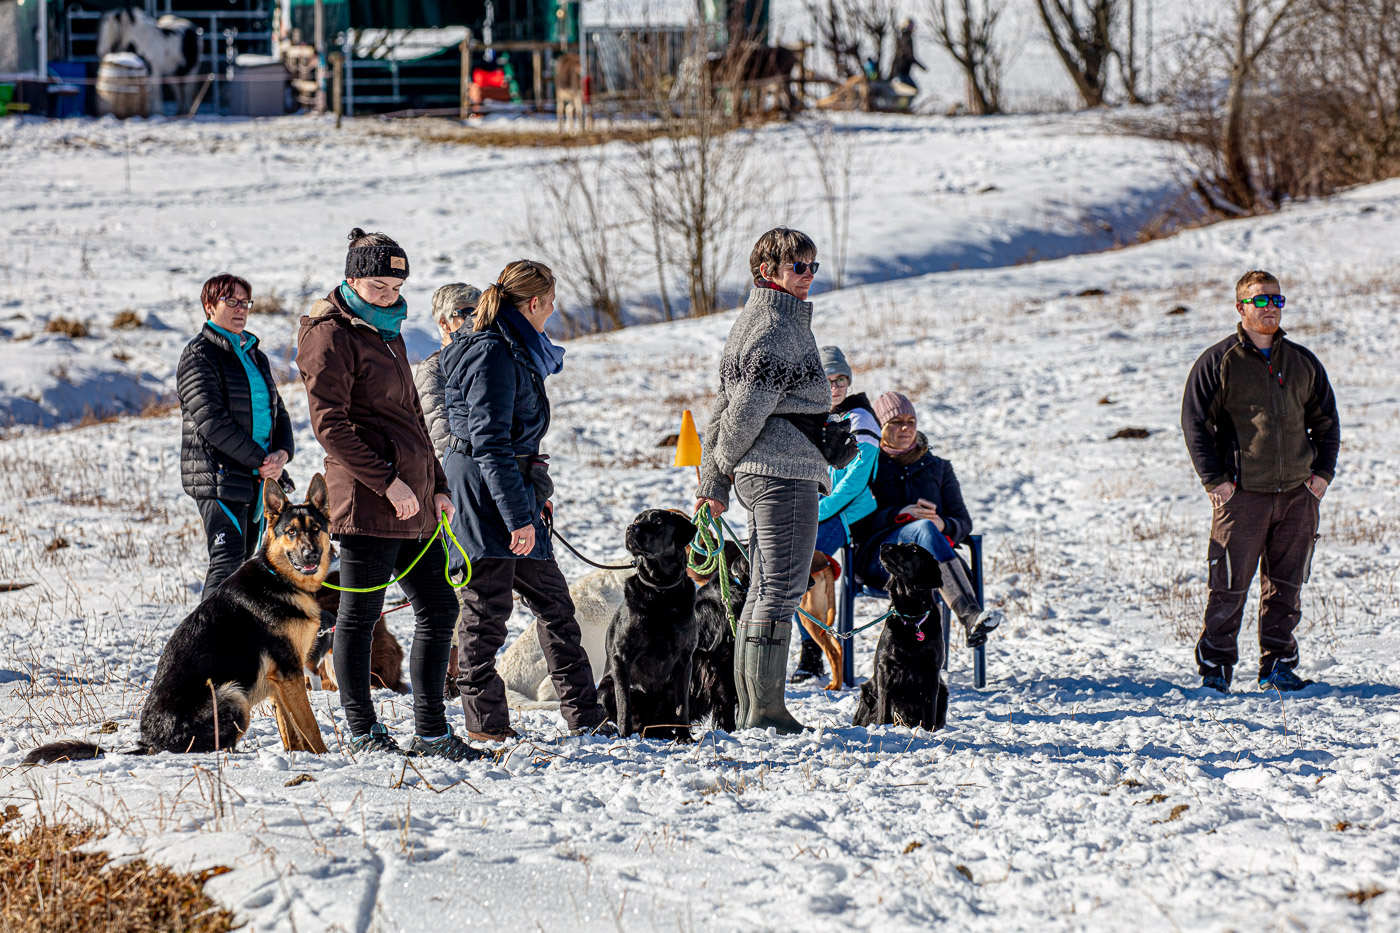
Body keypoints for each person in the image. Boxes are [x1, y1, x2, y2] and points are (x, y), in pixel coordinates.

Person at [297, 228, 483, 761]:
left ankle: (431, 732)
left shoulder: (388, 329)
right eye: (378, 284)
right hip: (366, 499)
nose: (389, 294)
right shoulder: (330, 335)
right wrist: (387, 481)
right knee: (360, 614)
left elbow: (413, 417)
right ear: (352, 278)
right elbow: (330, 425)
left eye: (396, 284)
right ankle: (362, 729)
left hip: (415, 500)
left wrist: (438, 486)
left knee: (440, 606)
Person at [442, 259, 608, 741]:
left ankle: (588, 718)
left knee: (556, 607)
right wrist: (518, 517)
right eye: (551, 305)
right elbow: (489, 440)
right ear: (533, 303)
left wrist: (532, 501)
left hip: (512, 488)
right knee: (485, 613)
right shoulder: (491, 352)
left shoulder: (512, 346)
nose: (552, 314)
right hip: (483, 494)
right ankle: (488, 727)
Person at [696, 227, 831, 733]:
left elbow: (723, 410)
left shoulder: (762, 321)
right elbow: (743, 414)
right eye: (797, 266)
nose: (807, 276)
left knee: (763, 587)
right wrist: (715, 478)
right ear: (766, 272)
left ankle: (754, 708)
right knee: (779, 588)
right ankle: (766, 711)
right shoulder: (776, 326)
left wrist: (715, 476)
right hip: (782, 472)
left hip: (771, 469)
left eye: (812, 267)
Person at [1181, 269, 1339, 693]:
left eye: (1276, 299)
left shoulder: (1302, 361)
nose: (1270, 307)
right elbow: (1196, 423)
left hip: (1297, 495)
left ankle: (1277, 666)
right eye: (1261, 300)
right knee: (1229, 584)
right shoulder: (1219, 361)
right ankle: (1215, 669)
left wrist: (1321, 475)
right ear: (1241, 307)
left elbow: (1326, 422)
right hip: (1242, 496)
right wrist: (1215, 481)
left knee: (1286, 585)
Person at [851, 391, 1002, 646]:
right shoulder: (868, 463)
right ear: (880, 427)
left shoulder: (939, 467)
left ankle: (970, 619)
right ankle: (969, 614)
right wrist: (898, 515)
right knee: (921, 528)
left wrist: (941, 524)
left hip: (932, 562)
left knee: (925, 529)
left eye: (911, 421)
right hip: (883, 561)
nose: (905, 428)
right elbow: (856, 523)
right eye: (896, 422)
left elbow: (963, 522)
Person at [178, 273, 295, 594]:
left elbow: (278, 411)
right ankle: (205, 642)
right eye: (231, 301)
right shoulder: (199, 354)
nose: (240, 308)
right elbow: (210, 420)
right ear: (209, 306)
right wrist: (262, 461)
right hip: (219, 476)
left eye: (245, 302)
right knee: (227, 560)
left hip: (257, 476)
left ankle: (233, 641)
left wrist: (282, 454)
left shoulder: (255, 356)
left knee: (246, 564)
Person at [790, 345, 880, 684]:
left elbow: (855, 481)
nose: (837, 386)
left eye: (842, 379)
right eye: (829, 379)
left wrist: (816, 511)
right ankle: (810, 648)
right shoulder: (813, 416)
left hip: (846, 514)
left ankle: (812, 654)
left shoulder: (860, 418)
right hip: (817, 510)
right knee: (789, 566)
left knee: (805, 570)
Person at [414, 281, 483, 699]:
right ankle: (447, 675)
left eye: (479, 309)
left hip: (483, 486)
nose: (473, 318)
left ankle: (469, 671)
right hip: (449, 490)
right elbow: (439, 429)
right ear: (443, 322)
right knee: (454, 583)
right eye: (464, 311)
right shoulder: (434, 368)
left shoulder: (485, 359)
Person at [891, 19, 924, 92]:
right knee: (911, 91)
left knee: (910, 91)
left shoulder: (903, 37)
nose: (912, 28)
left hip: (903, 70)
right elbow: (909, 55)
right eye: (910, 26)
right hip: (903, 70)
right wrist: (920, 65)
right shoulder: (906, 39)